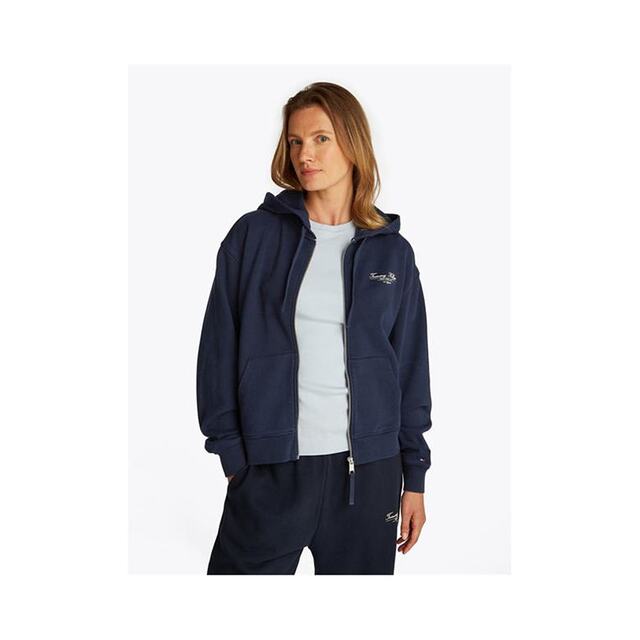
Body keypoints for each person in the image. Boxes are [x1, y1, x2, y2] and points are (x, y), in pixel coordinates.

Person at [196, 81, 433, 575]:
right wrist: (235, 459)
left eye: (321, 138)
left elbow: (410, 369)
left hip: (369, 475)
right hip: (271, 470)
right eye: (296, 141)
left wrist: (414, 475)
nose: (305, 154)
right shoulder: (253, 236)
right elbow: (217, 353)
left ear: (352, 143)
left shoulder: (392, 252)